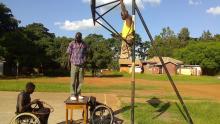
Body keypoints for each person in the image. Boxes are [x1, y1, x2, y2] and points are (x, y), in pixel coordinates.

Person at [67, 32, 88, 101]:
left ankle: (78, 94)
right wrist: (68, 63)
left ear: (81, 37)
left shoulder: (84, 44)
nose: (77, 39)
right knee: (73, 80)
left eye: (78, 38)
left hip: (81, 64)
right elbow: (69, 54)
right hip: (73, 64)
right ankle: (72, 94)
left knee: (80, 81)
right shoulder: (71, 43)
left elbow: (85, 54)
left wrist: (85, 62)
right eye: (76, 38)